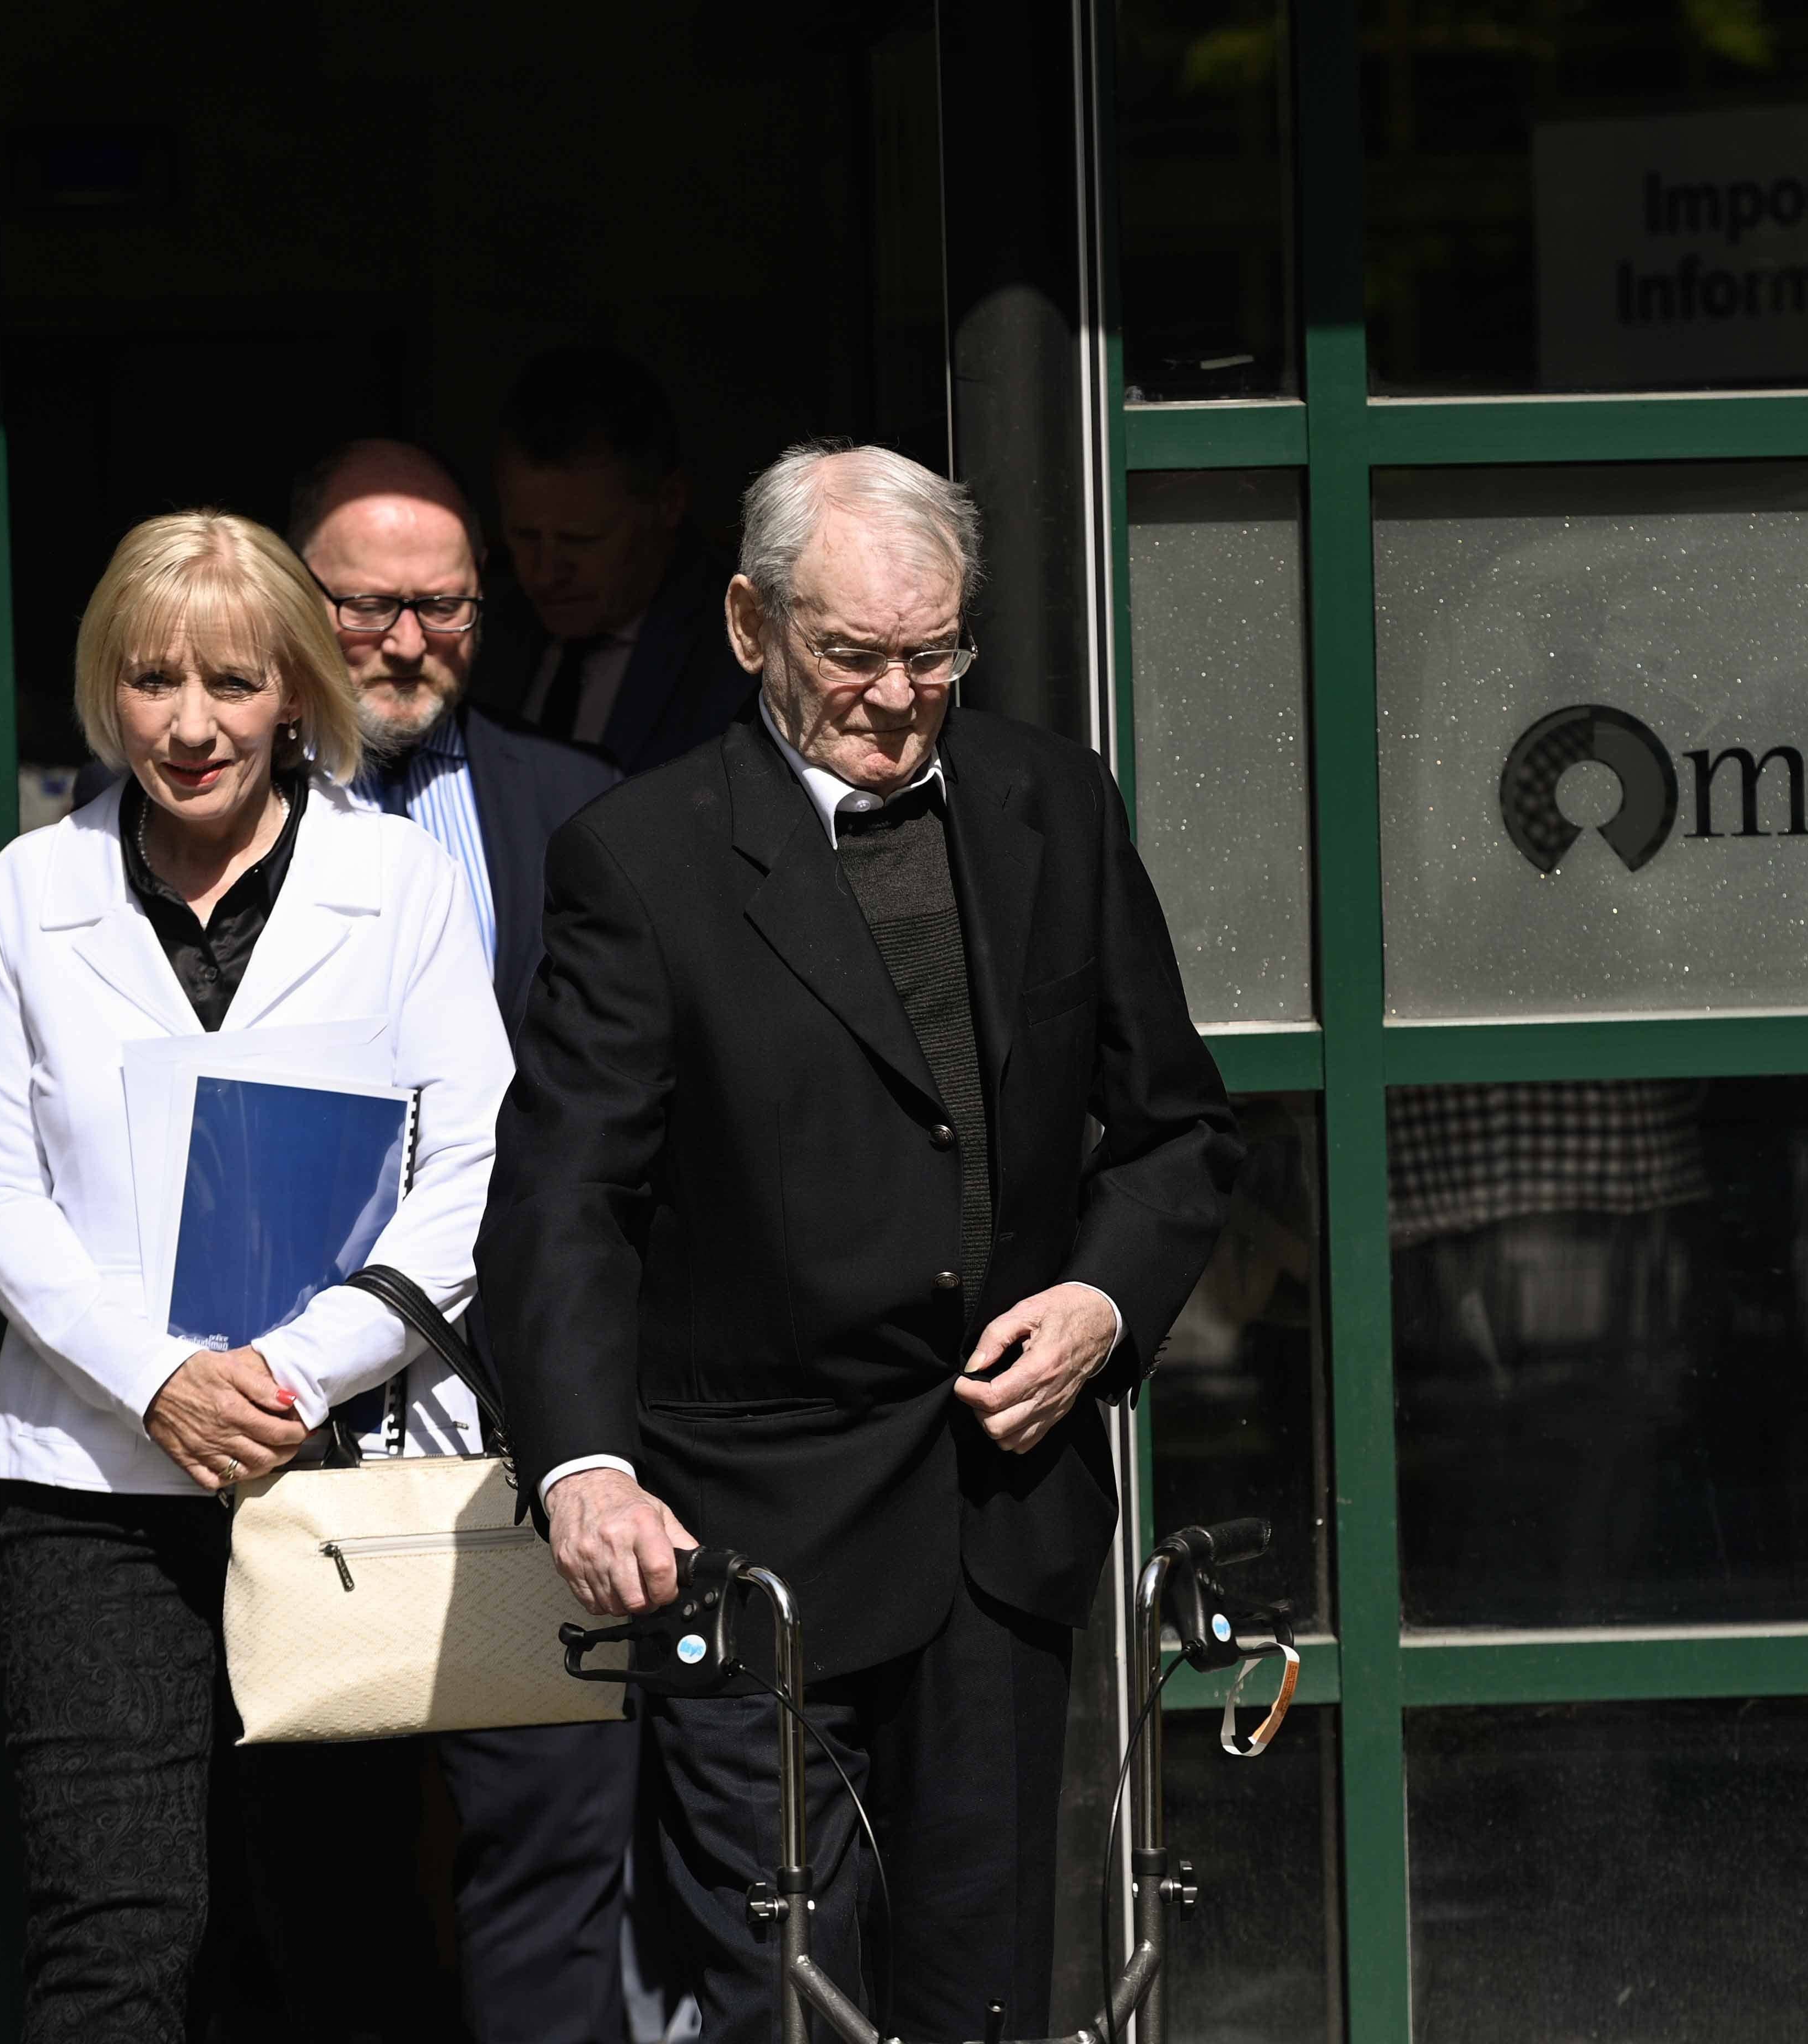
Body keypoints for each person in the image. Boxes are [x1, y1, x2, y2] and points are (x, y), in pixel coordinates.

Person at [478, 442, 1240, 2040]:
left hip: (996, 1524)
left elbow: (1176, 1128)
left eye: (934, 653)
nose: (898, 697)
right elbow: (564, 1199)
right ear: (750, 625)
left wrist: (1104, 1301)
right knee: (786, 2002)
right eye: (853, 654)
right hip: (750, 1537)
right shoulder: (641, 856)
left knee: (978, 2000)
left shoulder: (1052, 802)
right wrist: (584, 1467)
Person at [0, 510, 511, 2039]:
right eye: (152, 681)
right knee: (114, 1940)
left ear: (297, 692)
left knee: (340, 1932)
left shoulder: (399, 881)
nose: (189, 725)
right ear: (105, 690)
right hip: (89, 1489)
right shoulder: (30, 888)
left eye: (232, 682)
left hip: (329, 1472)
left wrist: (294, 1371)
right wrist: (157, 1381)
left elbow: (468, 1163)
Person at [222, 438, 633, 2044]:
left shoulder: (582, 806)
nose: (407, 642)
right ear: (294, 603)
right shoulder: (209, 820)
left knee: (553, 1838)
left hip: (533, 1425)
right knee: (318, 1871)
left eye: (444, 606)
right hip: (285, 1422)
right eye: (367, 606)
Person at [474, 347, 758, 774]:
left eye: (580, 540)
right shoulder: (483, 634)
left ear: (669, 502)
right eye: (524, 535)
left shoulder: (742, 658)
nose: (545, 573)